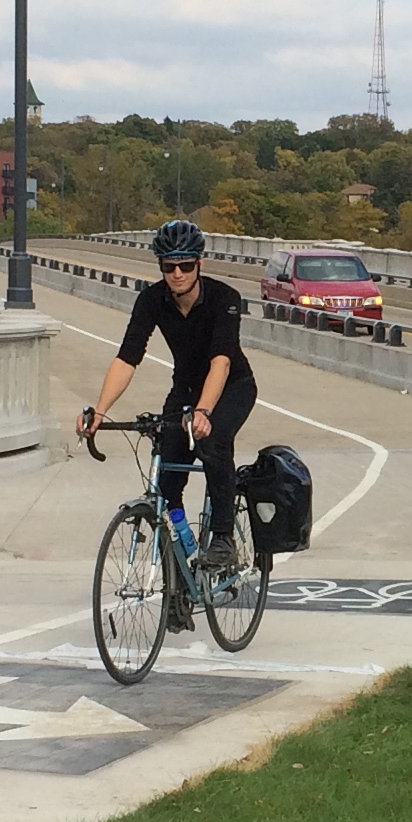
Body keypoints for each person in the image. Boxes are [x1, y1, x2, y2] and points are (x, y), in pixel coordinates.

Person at [79, 217, 256, 580]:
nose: (177, 274)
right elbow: (128, 357)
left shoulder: (225, 299)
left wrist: (205, 411)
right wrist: (100, 411)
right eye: (169, 266)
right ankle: (180, 571)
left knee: (214, 443)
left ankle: (223, 537)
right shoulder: (152, 300)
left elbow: (221, 361)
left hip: (232, 386)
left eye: (185, 265)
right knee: (166, 482)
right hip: (186, 389)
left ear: (199, 265)